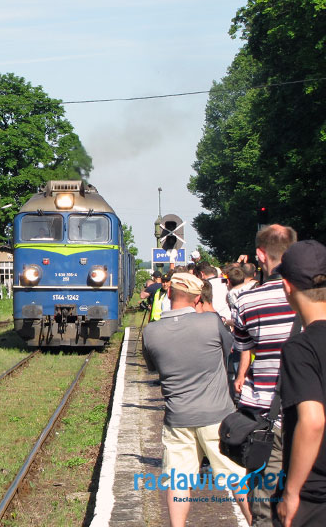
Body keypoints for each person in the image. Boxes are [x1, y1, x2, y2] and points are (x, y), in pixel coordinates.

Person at [142, 272, 251, 526]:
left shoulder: (151, 332)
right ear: (198, 298)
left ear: (169, 293)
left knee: (179, 482)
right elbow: (229, 352)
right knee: (237, 478)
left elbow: (152, 366)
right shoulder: (212, 324)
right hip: (218, 416)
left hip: (178, 417)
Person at [232, 224, 298, 525]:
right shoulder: (315, 300)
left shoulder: (246, 302)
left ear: (260, 255)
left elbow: (243, 351)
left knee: (265, 509)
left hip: (266, 421)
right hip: (308, 415)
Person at [274, 240, 326, 526]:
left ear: (287, 286)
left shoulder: (300, 348)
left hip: (314, 496)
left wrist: (292, 493)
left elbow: (313, 420)